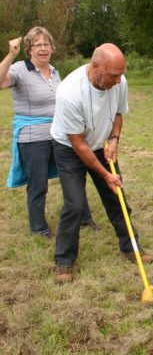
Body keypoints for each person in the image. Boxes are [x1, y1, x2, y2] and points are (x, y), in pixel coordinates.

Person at [50, 43, 153, 284]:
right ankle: (64, 261)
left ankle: (130, 247)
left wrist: (115, 138)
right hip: (69, 148)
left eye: (121, 74)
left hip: (100, 144)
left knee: (116, 196)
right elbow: (78, 144)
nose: (118, 81)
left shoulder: (120, 81)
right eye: (113, 75)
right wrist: (105, 174)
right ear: (95, 66)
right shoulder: (69, 93)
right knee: (75, 204)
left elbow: (118, 113)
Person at [0, 28, 99, 239]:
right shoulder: (19, 69)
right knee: (38, 184)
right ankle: (39, 228)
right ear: (29, 49)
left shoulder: (55, 72)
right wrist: (10, 55)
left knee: (73, 177)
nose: (43, 48)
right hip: (32, 136)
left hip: (60, 134)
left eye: (46, 44)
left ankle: (84, 218)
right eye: (38, 45)